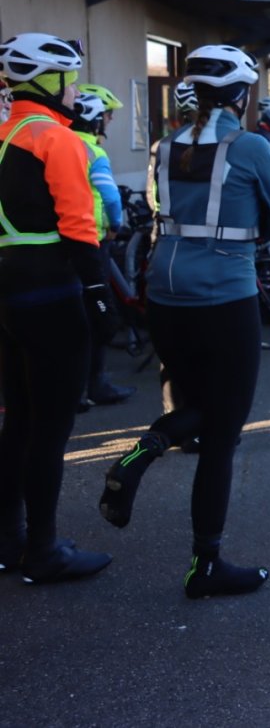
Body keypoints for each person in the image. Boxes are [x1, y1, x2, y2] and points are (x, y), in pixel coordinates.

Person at [97, 44, 270, 599]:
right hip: (224, 298)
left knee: (196, 409)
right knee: (223, 430)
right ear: (240, 94)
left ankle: (144, 453)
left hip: (164, 293)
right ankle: (204, 565)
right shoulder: (250, 145)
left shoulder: (164, 145)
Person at [0, 32, 113, 583]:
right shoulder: (56, 139)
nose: (73, 91)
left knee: (17, 420)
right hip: (51, 295)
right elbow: (78, 226)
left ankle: (8, 539)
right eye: (68, 80)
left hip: (7, 296)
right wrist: (100, 295)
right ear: (49, 81)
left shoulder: (3, 136)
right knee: (50, 426)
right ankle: (42, 550)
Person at [69, 92, 133, 406]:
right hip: (94, 240)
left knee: (72, 314)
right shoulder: (94, 151)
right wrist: (116, 224)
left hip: (63, 242)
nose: (108, 121)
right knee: (99, 312)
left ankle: (74, 389)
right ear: (95, 121)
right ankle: (97, 384)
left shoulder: (58, 143)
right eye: (106, 116)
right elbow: (110, 197)